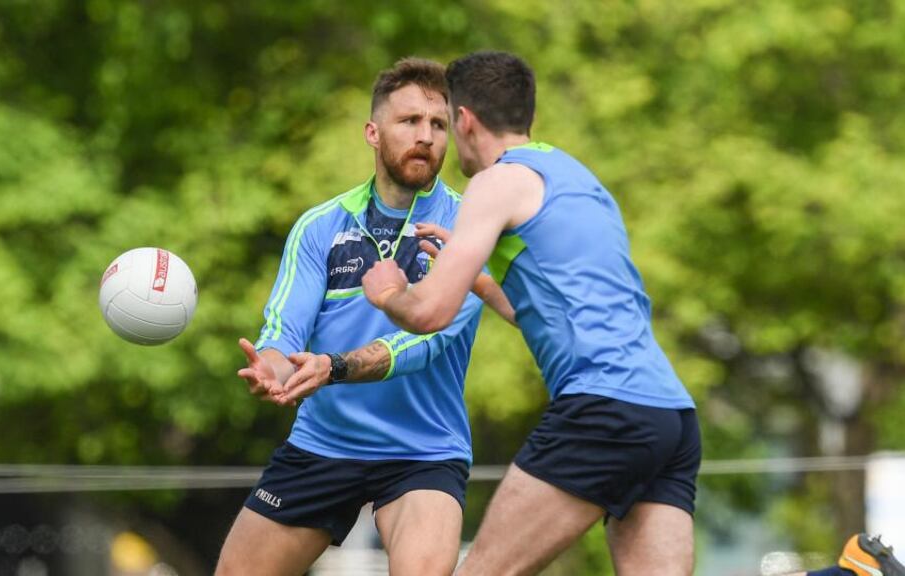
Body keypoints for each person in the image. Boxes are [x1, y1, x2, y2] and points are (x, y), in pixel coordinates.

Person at [363, 50, 700, 576]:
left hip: (603, 409)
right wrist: (474, 273)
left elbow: (429, 312)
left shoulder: (496, 182)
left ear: (466, 120)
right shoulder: (574, 176)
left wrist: (388, 293)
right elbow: (538, 312)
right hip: (668, 415)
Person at [216, 57, 509, 576]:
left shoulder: (469, 224)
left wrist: (333, 367)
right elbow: (285, 332)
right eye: (409, 122)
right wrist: (273, 369)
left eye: (438, 124)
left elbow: (425, 342)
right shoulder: (321, 226)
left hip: (423, 451)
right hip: (323, 444)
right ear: (373, 133)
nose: (426, 136)